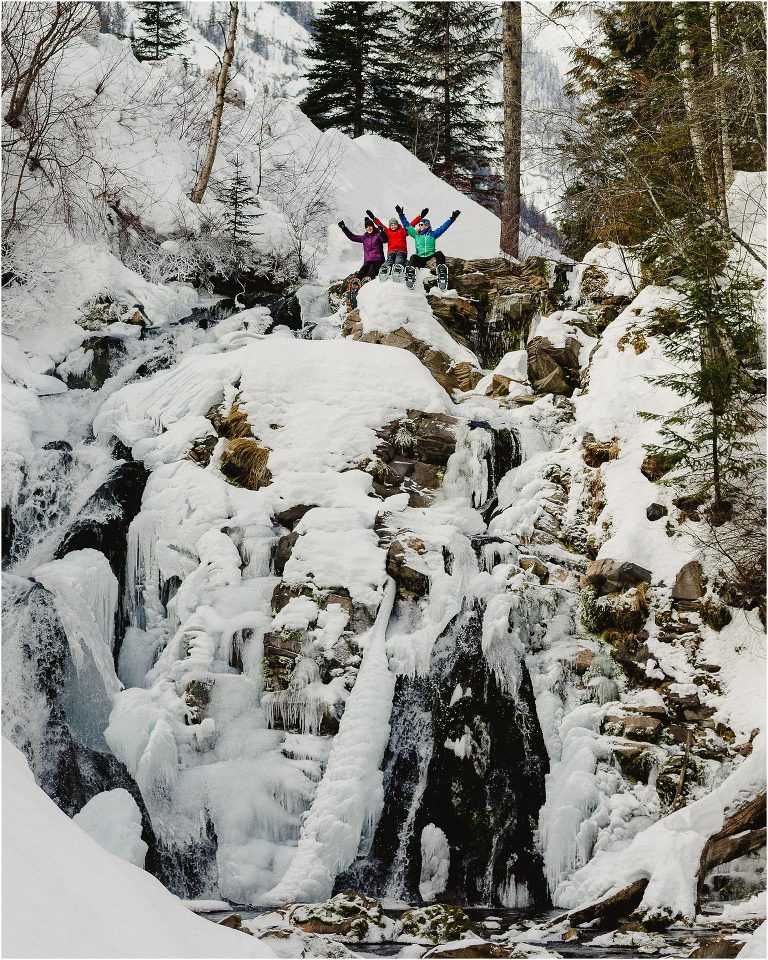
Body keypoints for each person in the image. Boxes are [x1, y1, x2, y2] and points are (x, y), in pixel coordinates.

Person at [396, 206, 461, 270]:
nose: (420, 226)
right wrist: (401, 216)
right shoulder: (416, 235)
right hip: (420, 258)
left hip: (430, 257)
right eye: (419, 225)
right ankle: (410, 272)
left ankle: (441, 270)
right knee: (413, 257)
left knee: (439, 253)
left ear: (427, 226)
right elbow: (407, 226)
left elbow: (443, 228)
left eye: (421, 224)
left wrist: (452, 219)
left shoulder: (433, 234)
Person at [337, 216, 386, 281]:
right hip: (368, 261)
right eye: (367, 227)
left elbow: (385, 240)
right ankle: (356, 284)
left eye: (370, 226)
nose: (369, 228)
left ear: (373, 226)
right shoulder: (364, 237)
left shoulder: (378, 235)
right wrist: (344, 228)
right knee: (361, 272)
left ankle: (367, 284)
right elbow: (353, 237)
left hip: (378, 260)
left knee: (370, 273)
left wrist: (382, 232)